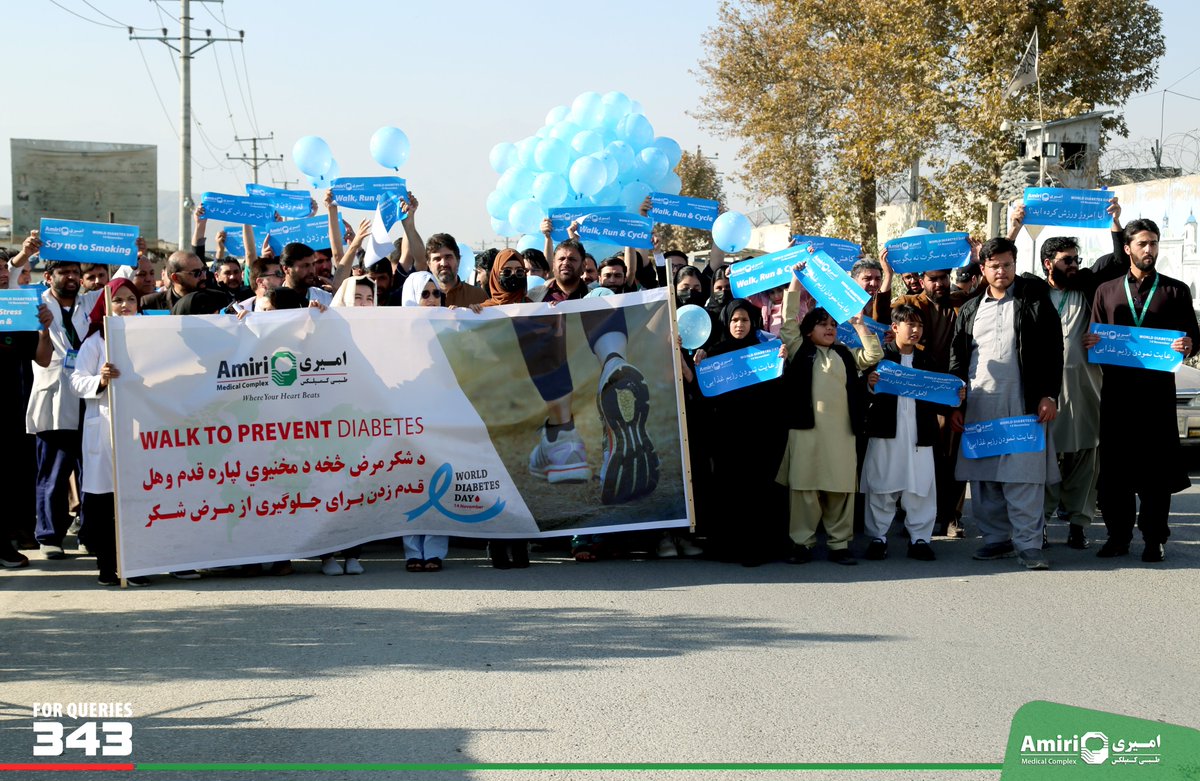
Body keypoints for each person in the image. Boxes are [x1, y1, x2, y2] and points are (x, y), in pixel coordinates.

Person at [1087, 218, 1200, 562]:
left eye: (1153, 243)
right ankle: (1117, 536)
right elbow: (1094, 337)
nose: (1149, 250)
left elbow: (1194, 337)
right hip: (1119, 395)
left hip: (1157, 396)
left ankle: (1155, 538)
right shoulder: (1105, 290)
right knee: (1116, 470)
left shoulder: (1176, 290)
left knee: (1156, 471)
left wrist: (1188, 344)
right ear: (1127, 249)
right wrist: (1090, 341)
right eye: (1142, 244)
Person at [949, 237, 1063, 570]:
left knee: (1024, 475)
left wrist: (1049, 394)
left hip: (1023, 403)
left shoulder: (1034, 301)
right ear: (982, 269)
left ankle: (1028, 545)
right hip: (980, 403)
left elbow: (1054, 351)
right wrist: (955, 403)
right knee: (984, 477)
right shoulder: (970, 308)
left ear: (1015, 264)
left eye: (1008, 264)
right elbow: (958, 356)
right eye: (995, 265)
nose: (1002, 271)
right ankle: (996, 539)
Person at [521, 238, 658, 511]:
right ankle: (564, 433)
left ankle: (614, 370)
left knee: (600, 301)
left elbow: (633, 283)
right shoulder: (536, 296)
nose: (566, 263)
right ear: (552, 263)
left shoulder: (596, 293)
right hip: (554, 376)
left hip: (592, 366)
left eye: (572, 259)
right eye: (561, 258)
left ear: (583, 264)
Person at [777, 263, 883, 565]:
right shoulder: (799, 349)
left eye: (833, 325)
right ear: (809, 330)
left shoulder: (845, 354)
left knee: (840, 490)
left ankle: (839, 545)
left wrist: (860, 325)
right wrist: (795, 282)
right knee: (804, 491)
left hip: (841, 433)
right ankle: (803, 544)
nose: (829, 329)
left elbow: (874, 356)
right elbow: (788, 323)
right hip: (805, 430)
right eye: (823, 324)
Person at [862, 305, 963, 561]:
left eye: (919, 326)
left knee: (921, 487)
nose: (916, 330)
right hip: (886, 432)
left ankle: (920, 539)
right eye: (910, 325)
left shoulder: (927, 360)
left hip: (920, 434)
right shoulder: (880, 359)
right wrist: (870, 385)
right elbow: (859, 394)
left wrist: (956, 397)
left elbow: (939, 398)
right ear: (895, 327)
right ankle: (878, 537)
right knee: (882, 485)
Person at [68, 279, 152, 586]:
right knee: (104, 504)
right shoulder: (95, 343)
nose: (126, 305)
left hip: (141, 429)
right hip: (104, 430)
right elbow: (76, 382)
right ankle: (107, 565)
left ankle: (137, 565)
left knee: (137, 501)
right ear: (106, 305)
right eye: (118, 300)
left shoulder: (151, 336)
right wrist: (100, 380)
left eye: (131, 299)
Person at [695, 298, 787, 565]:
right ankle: (726, 548)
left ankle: (755, 549)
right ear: (726, 322)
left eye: (744, 320)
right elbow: (704, 394)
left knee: (756, 491)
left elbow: (777, 391)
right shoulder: (715, 352)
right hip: (726, 435)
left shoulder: (765, 351)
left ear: (753, 323)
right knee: (728, 490)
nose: (739, 324)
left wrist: (782, 362)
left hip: (758, 434)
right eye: (734, 320)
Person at [893, 266, 974, 538]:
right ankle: (914, 516)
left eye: (943, 279)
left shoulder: (961, 302)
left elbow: (989, 287)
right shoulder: (911, 304)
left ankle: (951, 517)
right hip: (920, 392)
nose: (939, 284)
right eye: (933, 279)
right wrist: (885, 271)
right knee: (920, 455)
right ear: (922, 280)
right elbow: (885, 316)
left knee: (953, 458)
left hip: (953, 391)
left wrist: (976, 258)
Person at [398, 270, 450, 571]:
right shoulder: (394, 332)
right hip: (407, 416)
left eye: (435, 294)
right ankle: (411, 551)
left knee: (438, 481)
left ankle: (434, 550)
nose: (431, 300)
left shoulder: (450, 324)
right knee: (409, 485)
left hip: (440, 415)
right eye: (424, 294)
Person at [425, 234, 488, 308]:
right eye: (437, 259)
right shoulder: (422, 297)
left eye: (448, 257)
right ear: (429, 264)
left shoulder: (478, 296)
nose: (443, 263)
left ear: (458, 260)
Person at [140, 250, 208, 312]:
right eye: (197, 273)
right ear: (176, 278)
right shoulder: (150, 303)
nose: (204, 277)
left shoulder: (215, 300)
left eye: (204, 270)